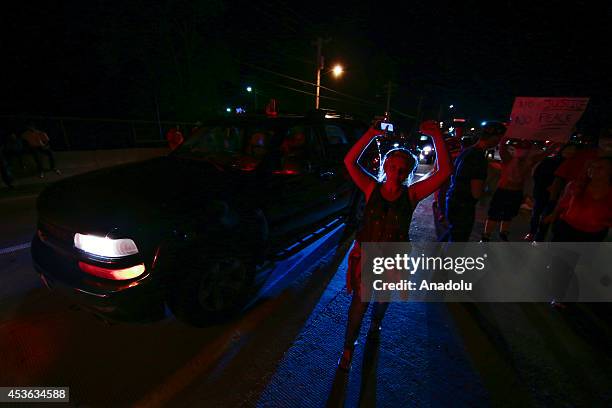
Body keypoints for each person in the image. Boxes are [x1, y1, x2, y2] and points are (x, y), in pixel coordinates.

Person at [338, 119, 452, 371]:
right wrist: (370, 133)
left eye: (402, 170)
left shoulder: (411, 195)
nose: (396, 173)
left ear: (408, 172)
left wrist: (437, 137)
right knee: (360, 301)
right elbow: (350, 162)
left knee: (382, 299)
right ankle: (348, 348)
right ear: (386, 166)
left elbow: (444, 172)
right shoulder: (371, 189)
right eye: (393, 167)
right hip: (367, 255)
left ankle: (376, 324)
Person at [442, 122, 505, 242]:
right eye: (500, 139)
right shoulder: (478, 157)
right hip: (463, 206)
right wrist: (488, 189)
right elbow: (476, 192)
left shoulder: (467, 151)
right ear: (495, 138)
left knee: (452, 234)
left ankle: (436, 258)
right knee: (458, 241)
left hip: (452, 199)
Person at [481, 138, 552, 241]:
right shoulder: (508, 159)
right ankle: (486, 235)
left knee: (508, 214)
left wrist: (554, 145)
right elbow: (502, 147)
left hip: (516, 192)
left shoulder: (529, 161)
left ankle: (503, 233)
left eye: (525, 149)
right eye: (520, 148)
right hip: (503, 190)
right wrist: (509, 136)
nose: (522, 151)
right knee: (494, 214)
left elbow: (545, 154)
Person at [523, 143, 578, 241]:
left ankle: (540, 237)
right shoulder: (549, 161)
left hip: (558, 196)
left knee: (547, 216)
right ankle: (532, 233)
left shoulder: (573, 166)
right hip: (542, 192)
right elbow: (537, 175)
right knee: (536, 213)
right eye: (568, 150)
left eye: (573, 151)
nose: (570, 153)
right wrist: (545, 186)